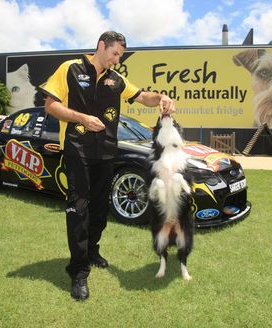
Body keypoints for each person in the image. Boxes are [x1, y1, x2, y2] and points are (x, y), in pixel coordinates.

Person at [40, 31, 175, 301]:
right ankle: (78, 272)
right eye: (114, 54)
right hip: (77, 149)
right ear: (101, 46)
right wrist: (82, 118)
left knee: (100, 208)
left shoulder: (117, 80)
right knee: (79, 207)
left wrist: (160, 98)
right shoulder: (70, 68)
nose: (116, 60)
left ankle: (92, 251)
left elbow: (142, 96)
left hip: (106, 152)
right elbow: (50, 106)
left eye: (120, 56)